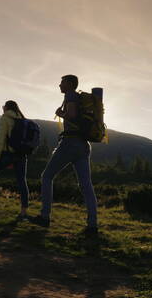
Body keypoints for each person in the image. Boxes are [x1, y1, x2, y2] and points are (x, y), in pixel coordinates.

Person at [30, 75, 99, 235]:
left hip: (70, 143)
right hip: (83, 145)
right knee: (86, 185)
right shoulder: (81, 99)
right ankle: (92, 225)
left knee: (47, 176)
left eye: (62, 82)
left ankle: (45, 217)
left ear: (69, 84)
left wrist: (60, 113)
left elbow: (72, 115)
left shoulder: (70, 95)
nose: (59, 84)